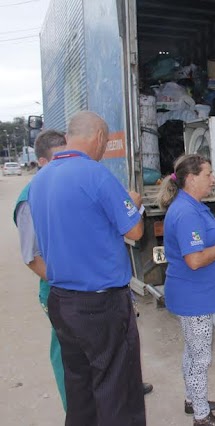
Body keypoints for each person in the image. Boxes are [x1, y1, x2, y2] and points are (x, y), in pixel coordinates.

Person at [28, 111, 146, 426]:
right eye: (105, 143)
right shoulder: (95, 174)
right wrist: (131, 203)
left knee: (80, 390)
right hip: (101, 303)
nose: (103, 150)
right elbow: (134, 232)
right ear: (97, 138)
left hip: (62, 300)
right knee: (117, 390)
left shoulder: (39, 180)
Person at [157, 154, 215, 426]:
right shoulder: (186, 212)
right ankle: (202, 417)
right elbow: (194, 260)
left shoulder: (194, 205)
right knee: (200, 357)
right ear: (191, 179)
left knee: (193, 352)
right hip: (193, 297)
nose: (213, 179)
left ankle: (194, 400)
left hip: (197, 295)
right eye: (208, 174)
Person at [13, 130, 67, 410]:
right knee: (66, 350)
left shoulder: (63, 186)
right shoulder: (30, 198)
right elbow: (31, 257)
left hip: (75, 284)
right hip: (57, 287)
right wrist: (63, 285)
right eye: (60, 159)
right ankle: (76, 410)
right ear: (43, 162)